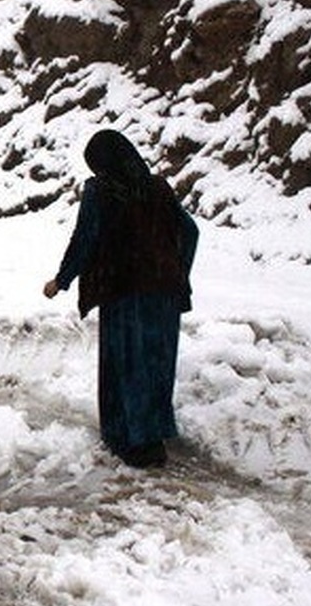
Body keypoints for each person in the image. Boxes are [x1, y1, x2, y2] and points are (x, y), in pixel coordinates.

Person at [43, 129, 199, 468]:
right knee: (157, 365)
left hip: (125, 293)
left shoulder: (101, 191)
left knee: (127, 367)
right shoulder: (158, 187)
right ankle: (155, 434)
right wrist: (178, 270)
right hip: (165, 294)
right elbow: (190, 231)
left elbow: (85, 238)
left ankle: (132, 441)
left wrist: (62, 280)